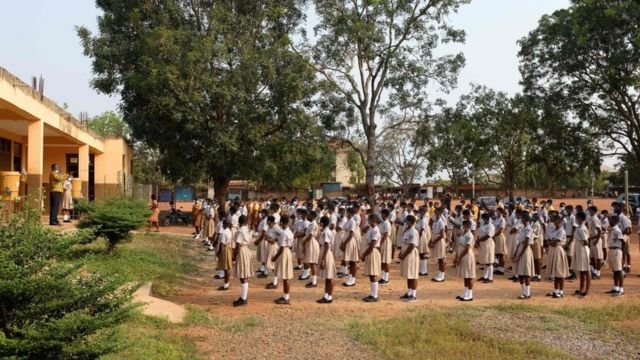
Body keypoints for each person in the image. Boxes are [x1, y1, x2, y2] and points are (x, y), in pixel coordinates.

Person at [546, 214, 568, 298]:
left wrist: (549, 242)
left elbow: (555, 242)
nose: (555, 222)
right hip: (553, 250)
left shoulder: (561, 231)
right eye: (554, 221)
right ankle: (556, 290)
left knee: (560, 272)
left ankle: (561, 292)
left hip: (558, 250)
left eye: (556, 220)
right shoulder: (554, 230)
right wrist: (550, 241)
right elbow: (549, 239)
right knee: (555, 272)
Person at [232, 215, 253, 307]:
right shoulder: (246, 229)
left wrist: (234, 255)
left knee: (243, 275)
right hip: (246, 250)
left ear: (239, 222)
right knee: (244, 274)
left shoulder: (240, 231)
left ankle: (243, 298)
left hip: (242, 251)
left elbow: (238, 245)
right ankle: (243, 297)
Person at [273, 216, 294, 304]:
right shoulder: (290, 232)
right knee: (286, 276)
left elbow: (281, 247)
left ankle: (286, 297)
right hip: (288, 251)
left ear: (281, 223)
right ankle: (285, 296)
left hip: (283, 252)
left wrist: (275, 257)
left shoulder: (283, 233)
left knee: (285, 277)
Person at [361, 214, 382, 302]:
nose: (368, 221)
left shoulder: (376, 230)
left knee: (373, 274)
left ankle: (375, 295)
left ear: (374, 220)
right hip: (370, 251)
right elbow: (363, 231)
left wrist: (364, 254)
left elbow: (372, 245)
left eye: (370, 219)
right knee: (371, 274)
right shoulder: (371, 229)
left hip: (372, 251)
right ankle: (372, 294)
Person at [399, 215, 420, 302]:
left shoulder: (414, 232)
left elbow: (412, 245)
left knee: (413, 274)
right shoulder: (407, 230)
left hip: (410, 253)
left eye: (407, 221)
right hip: (405, 251)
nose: (405, 222)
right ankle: (409, 292)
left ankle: (413, 294)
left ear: (411, 222)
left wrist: (404, 254)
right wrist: (401, 252)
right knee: (409, 274)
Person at [514, 214, 534, 299]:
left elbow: (526, 243)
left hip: (525, 251)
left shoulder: (529, 229)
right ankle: (523, 291)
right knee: (520, 273)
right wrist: (515, 253)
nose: (521, 219)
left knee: (526, 273)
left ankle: (527, 293)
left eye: (522, 218)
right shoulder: (523, 228)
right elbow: (520, 242)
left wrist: (520, 255)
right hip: (520, 249)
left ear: (526, 219)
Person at [454, 220, 475, 301]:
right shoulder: (463, 234)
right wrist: (457, 256)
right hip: (462, 254)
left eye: (465, 225)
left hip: (467, 255)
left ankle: (470, 294)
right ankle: (465, 293)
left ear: (468, 226)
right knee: (465, 275)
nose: (463, 227)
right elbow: (459, 245)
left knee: (469, 276)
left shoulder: (470, 235)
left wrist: (460, 257)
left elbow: (467, 248)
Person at [317, 216, 336, 304]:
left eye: (320, 222)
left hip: (326, 254)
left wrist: (323, 259)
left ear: (322, 223)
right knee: (327, 277)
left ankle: (330, 296)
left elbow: (327, 246)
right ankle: (326, 295)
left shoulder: (326, 232)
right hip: (325, 253)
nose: (319, 224)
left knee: (329, 276)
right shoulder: (325, 231)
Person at [340, 207, 360, 287]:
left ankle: (353, 279)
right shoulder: (348, 221)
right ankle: (351, 276)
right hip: (346, 241)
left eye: (347, 212)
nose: (346, 214)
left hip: (350, 242)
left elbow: (351, 234)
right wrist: (342, 243)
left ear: (350, 213)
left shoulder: (353, 222)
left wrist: (344, 243)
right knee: (350, 261)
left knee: (353, 261)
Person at [605, 216, 625, 297]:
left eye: (611, 220)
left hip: (616, 250)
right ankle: (616, 287)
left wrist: (621, 252)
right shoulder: (612, 229)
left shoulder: (617, 230)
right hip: (611, 250)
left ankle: (621, 289)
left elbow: (623, 241)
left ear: (616, 221)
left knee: (619, 270)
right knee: (614, 270)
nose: (610, 221)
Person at [572, 212, 591, 297]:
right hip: (579, 248)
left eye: (577, 217)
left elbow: (585, 241)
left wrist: (582, 246)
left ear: (581, 218)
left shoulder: (581, 228)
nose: (576, 219)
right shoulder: (579, 227)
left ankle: (586, 290)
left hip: (582, 249)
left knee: (586, 270)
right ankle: (581, 289)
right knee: (582, 270)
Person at [302, 211, 320, 288]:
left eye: (309, 215)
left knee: (312, 263)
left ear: (312, 216)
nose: (307, 216)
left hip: (311, 243)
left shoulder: (314, 224)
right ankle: (313, 280)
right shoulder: (311, 224)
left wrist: (304, 242)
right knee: (310, 262)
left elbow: (310, 235)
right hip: (309, 243)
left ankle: (314, 282)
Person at [477, 213, 495, 283]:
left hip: (488, 243)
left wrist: (479, 240)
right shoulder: (483, 225)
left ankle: (490, 278)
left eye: (483, 218)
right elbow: (479, 234)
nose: (482, 219)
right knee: (485, 260)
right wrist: (478, 241)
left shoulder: (491, 226)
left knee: (489, 261)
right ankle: (485, 276)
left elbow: (488, 236)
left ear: (486, 218)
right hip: (482, 243)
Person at [430, 207, 447, 282]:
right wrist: (431, 240)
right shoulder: (435, 221)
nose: (435, 213)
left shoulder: (441, 222)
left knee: (441, 258)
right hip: (435, 238)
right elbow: (433, 231)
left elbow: (442, 235)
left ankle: (442, 275)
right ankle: (439, 273)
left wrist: (434, 242)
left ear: (440, 213)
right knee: (439, 259)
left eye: (436, 211)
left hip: (439, 241)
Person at [216, 219, 233, 291]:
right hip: (229, 248)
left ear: (225, 224)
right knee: (228, 267)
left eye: (223, 224)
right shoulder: (229, 231)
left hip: (224, 249)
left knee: (226, 267)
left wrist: (218, 252)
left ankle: (226, 285)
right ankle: (226, 283)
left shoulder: (224, 233)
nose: (222, 225)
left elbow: (222, 244)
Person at [378, 209, 393, 285]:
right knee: (382, 261)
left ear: (386, 215)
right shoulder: (383, 223)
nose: (381, 215)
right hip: (382, 240)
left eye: (383, 214)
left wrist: (380, 243)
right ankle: (383, 277)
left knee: (386, 260)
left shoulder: (387, 223)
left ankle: (386, 278)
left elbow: (386, 234)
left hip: (385, 241)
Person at [416, 206, 431, 277]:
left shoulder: (423, 219)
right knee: (421, 253)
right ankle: (423, 270)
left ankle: (424, 271)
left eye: (420, 211)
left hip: (421, 236)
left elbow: (422, 229)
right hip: (420, 235)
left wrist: (418, 236)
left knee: (422, 253)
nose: (419, 212)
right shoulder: (420, 218)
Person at [493, 207, 507, 275]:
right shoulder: (496, 219)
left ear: (501, 212)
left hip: (499, 236)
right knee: (497, 253)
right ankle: (498, 268)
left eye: (497, 211)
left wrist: (494, 235)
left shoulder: (502, 219)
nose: (496, 212)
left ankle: (501, 269)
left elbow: (501, 229)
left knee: (501, 254)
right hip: (495, 236)